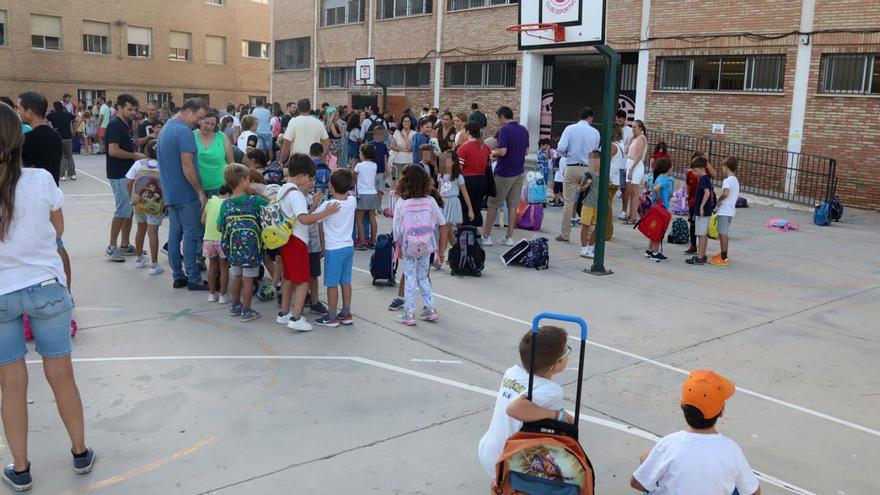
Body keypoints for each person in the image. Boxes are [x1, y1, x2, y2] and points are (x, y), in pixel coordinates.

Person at [0, 103, 96, 492]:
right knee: (62, 378)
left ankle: (21, 467)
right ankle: (79, 451)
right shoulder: (40, 180)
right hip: (46, 288)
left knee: (12, 385)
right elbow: (57, 231)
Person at [630, 370, 761, 495]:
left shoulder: (669, 443)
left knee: (646, 458)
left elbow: (636, 483)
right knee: (737, 484)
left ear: (682, 407)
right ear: (721, 412)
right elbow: (754, 492)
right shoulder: (731, 449)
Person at [477, 326, 573, 478]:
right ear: (556, 364)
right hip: (508, 459)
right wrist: (556, 415)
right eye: (567, 351)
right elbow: (514, 409)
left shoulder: (511, 373)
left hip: (489, 449)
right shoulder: (552, 391)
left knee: (501, 484)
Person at [276, 154, 340, 332]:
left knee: (288, 278)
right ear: (302, 176)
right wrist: (325, 212)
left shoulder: (284, 189)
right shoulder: (296, 194)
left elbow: (297, 215)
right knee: (303, 280)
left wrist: (314, 207)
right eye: (310, 178)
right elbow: (304, 219)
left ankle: (284, 313)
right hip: (297, 241)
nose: (312, 182)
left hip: (286, 239)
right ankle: (296, 318)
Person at [157, 98, 210, 290]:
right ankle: (193, 278)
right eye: (199, 117)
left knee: (174, 234)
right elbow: (188, 166)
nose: (199, 122)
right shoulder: (184, 132)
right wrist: (200, 191)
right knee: (191, 235)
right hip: (186, 193)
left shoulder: (166, 129)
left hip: (171, 192)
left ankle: (177, 275)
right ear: (188, 111)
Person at [392, 165, 447, 326]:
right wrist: (441, 250)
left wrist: (398, 247)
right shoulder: (430, 201)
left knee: (410, 276)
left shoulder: (402, 202)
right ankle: (430, 309)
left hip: (409, 246)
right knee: (423, 276)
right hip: (427, 245)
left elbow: (396, 227)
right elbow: (442, 223)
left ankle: (409, 313)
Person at [218, 164, 267, 322]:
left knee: (237, 277)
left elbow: (220, 227)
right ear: (242, 180)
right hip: (251, 250)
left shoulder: (225, 204)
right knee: (248, 281)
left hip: (233, 250)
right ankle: (246, 311)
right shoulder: (254, 200)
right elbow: (274, 207)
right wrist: (259, 194)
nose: (250, 183)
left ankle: (235, 306)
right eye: (248, 180)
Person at [312, 169, 357, 327]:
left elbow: (312, 218)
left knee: (332, 283)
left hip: (334, 248)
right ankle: (346, 312)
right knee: (346, 281)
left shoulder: (328, 205)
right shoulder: (352, 201)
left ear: (331, 186)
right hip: (348, 246)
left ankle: (331, 315)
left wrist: (315, 203)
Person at [104, 94, 145, 262]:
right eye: (129, 109)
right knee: (122, 210)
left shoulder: (126, 124)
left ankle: (125, 244)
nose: (133, 112)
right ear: (119, 108)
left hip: (128, 174)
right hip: (119, 174)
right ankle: (112, 246)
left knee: (129, 212)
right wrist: (135, 155)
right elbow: (113, 150)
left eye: (135, 109)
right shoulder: (114, 125)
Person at [481, 107, 528, 247]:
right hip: (519, 171)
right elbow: (526, 151)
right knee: (513, 205)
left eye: (498, 118)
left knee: (493, 203)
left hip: (504, 172)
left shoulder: (505, 130)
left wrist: (493, 154)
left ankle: (486, 236)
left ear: (502, 117)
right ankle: (509, 237)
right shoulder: (523, 129)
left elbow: (503, 151)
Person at [555, 107, 601, 243]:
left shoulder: (569, 129)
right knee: (590, 202)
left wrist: (568, 155)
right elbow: (595, 154)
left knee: (569, 202)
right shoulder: (595, 132)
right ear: (590, 118)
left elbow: (560, 149)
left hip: (572, 167)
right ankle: (589, 235)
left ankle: (565, 234)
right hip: (589, 168)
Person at [125, 140, 165, 275]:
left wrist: (132, 198)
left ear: (146, 152)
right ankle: (154, 265)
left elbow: (130, 182)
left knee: (140, 229)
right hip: (155, 204)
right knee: (153, 233)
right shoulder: (164, 166)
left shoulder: (138, 164)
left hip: (139, 203)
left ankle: (139, 258)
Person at [438, 149, 475, 255]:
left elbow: (465, 194)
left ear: (453, 161)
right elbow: (438, 190)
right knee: (447, 232)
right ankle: (456, 252)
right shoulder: (440, 175)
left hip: (452, 203)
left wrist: (470, 210)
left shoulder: (458, 177)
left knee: (445, 230)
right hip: (442, 203)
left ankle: (441, 255)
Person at [457, 121, 491, 228]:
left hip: (467, 181)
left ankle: (466, 230)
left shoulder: (463, 148)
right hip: (482, 180)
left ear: (467, 132)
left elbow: (459, 168)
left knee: (465, 206)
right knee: (477, 206)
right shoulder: (485, 147)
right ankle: (475, 231)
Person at [194, 111, 234, 197]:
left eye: (212, 124)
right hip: (197, 187)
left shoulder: (223, 137)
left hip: (220, 187)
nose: (209, 127)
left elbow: (231, 163)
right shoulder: (191, 136)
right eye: (206, 123)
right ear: (200, 121)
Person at [203, 185, 230, 303]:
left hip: (208, 238)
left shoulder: (210, 201)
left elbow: (202, 220)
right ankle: (223, 295)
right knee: (224, 267)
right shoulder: (229, 203)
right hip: (222, 239)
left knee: (212, 266)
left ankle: (211, 294)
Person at [280, 99, 329, 164]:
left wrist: (282, 160)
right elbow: (327, 142)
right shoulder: (318, 122)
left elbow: (287, 143)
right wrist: (321, 157)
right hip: (313, 161)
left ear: (298, 109)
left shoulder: (293, 122)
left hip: (297, 160)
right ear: (309, 108)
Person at [710, 157, 740, 267]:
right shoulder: (735, 180)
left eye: (723, 166)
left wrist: (719, 200)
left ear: (726, 167)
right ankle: (723, 253)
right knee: (724, 232)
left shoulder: (727, 181)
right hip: (730, 210)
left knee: (723, 233)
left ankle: (724, 256)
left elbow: (726, 193)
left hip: (725, 210)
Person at [686, 157, 714, 265]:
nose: (693, 172)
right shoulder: (705, 178)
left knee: (701, 235)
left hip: (702, 211)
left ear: (702, 169)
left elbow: (707, 193)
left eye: (695, 170)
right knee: (703, 234)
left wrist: (701, 207)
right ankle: (702, 255)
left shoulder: (703, 179)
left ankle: (700, 256)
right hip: (704, 211)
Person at [646, 157, 674, 263]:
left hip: (655, 208)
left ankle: (650, 250)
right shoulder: (665, 181)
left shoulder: (658, 177)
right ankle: (655, 252)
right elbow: (656, 189)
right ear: (668, 168)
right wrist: (658, 198)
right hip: (662, 208)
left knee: (654, 229)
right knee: (659, 231)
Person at [353, 144, 379, 250]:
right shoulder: (374, 165)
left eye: (360, 152)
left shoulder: (359, 165)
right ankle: (373, 241)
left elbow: (352, 175)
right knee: (372, 218)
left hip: (362, 194)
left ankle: (362, 241)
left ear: (363, 154)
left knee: (359, 218)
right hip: (373, 193)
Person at [624, 119, 648, 224]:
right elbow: (626, 151)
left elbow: (638, 155)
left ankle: (633, 216)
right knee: (629, 191)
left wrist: (631, 169)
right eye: (632, 127)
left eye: (635, 127)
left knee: (634, 192)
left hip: (636, 165)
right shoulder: (633, 138)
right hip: (629, 163)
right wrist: (630, 140)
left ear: (640, 128)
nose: (633, 129)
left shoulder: (641, 139)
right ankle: (630, 214)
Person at [47, 101, 76, 181]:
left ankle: (62, 175)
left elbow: (44, 120)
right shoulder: (68, 114)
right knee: (69, 156)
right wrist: (74, 128)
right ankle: (72, 174)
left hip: (58, 137)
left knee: (61, 157)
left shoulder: (52, 115)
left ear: (54, 107)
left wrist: (51, 129)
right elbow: (77, 118)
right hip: (68, 137)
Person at [578, 163, 600, 259]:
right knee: (585, 226)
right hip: (588, 204)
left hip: (599, 205)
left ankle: (590, 248)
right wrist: (587, 184)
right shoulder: (588, 174)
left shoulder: (605, 174)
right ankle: (584, 249)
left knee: (597, 227)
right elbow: (580, 189)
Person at [368, 127, 390, 209]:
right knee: (372, 190)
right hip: (371, 172)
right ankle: (373, 206)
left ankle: (378, 206)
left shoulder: (383, 145)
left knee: (380, 190)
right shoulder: (370, 144)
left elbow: (385, 157)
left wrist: (386, 170)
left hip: (381, 171)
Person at [391, 115, 416, 179]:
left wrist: (405, 136)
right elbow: (392, 146)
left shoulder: (414, 133)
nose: (406, 123)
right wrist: (405, 150)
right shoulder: (397, 132)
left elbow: (410, 148)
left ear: (411, 123)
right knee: (398, 180)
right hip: (398, 161)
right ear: (402, 122)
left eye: (408, 121)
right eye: (405, 121)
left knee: (409, 180)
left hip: (409, 161)